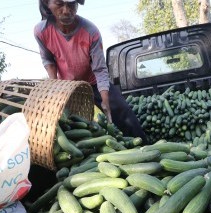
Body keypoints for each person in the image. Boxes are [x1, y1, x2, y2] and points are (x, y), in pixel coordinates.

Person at [34, 0, 148, 143]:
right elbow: (48, 60)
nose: (66, 10)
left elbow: (100, 69)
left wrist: (106, 101)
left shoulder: (90, 31)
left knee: (122, 110)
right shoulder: (41, 31)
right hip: (68, 87)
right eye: (59, 4)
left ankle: (144, 145)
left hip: (93, 82)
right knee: (72, 126)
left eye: (71, 4)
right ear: (47, 4)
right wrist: (55, 87)